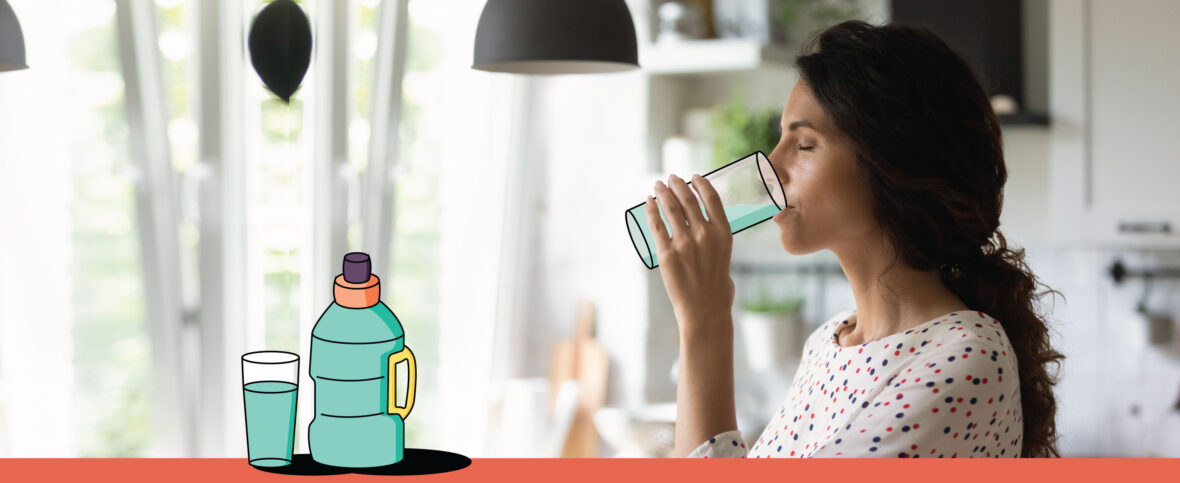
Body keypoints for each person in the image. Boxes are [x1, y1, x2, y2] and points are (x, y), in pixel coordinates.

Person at [643, 20, 1065, 458]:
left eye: (804, 145)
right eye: (779, 139)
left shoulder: (965, 357)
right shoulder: (828, 344)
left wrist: (705, 324)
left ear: (891, 163)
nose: (772, 166)